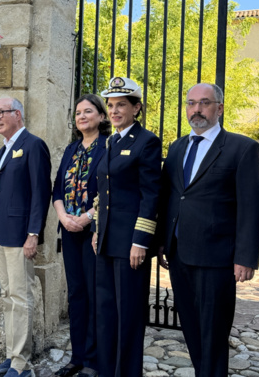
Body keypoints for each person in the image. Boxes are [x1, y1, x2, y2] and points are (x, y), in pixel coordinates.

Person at [157, 83, 259, 376]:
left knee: (214, 333)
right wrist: (163, 242)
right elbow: (171, 197)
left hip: (217, 257)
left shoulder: (242, 149)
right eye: (191, 103)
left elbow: (252, 208)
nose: (196, 109)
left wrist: (246, 257)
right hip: (179, 254)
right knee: (191, 328)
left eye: (204, 103)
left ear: (219, 108)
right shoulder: (178, 147)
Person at [92, 77, 162, 377]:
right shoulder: (111, 141)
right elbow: (103, 195)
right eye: (110, 105)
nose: (115, 110)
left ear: (137, 107)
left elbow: (151, 196)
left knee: (129, 316)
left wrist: (140, 242)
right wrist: (97, 229)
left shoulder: (146, 142)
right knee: (106, 314)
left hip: (130, 244)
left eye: (122, 104)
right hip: (107, 241)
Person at [0, 97, 51, 377]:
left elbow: (41, 193)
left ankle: (22, 364)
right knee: (8, 295)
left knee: (21, 297)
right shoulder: (4, 150)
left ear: (18, 115)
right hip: (1, 236)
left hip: (21, 236)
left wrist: (33, 233)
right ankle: (13, 356)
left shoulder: (33, 145)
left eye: (2, 112)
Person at [51, 94, 110, 377]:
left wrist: (88, 218)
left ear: (101, 116)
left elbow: (111, 192)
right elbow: (57, 189)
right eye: (78, 113)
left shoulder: (108, 147)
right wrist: (63, 217)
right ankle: (77, 356)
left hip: (94, 232)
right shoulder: (71, 149)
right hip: (69, 230)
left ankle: (94, 360)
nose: (82, 116)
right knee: (75, 294)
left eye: (88, 111)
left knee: (93, 293)